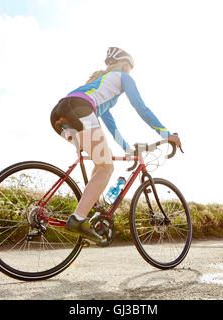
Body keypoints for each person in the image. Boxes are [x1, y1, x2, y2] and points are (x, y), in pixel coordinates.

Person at [50, 47, 181, 242]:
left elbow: (111, 127)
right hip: (79, 110)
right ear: (124, 65)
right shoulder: (122, 77)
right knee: (106, 167)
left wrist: (127, 148)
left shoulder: (102, 92)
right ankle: (78, 219)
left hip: (58, 115)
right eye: (130, 67)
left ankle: (87, 212)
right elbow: (141, 108)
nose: (129, 71)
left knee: (99, 164)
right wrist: (166, 134)